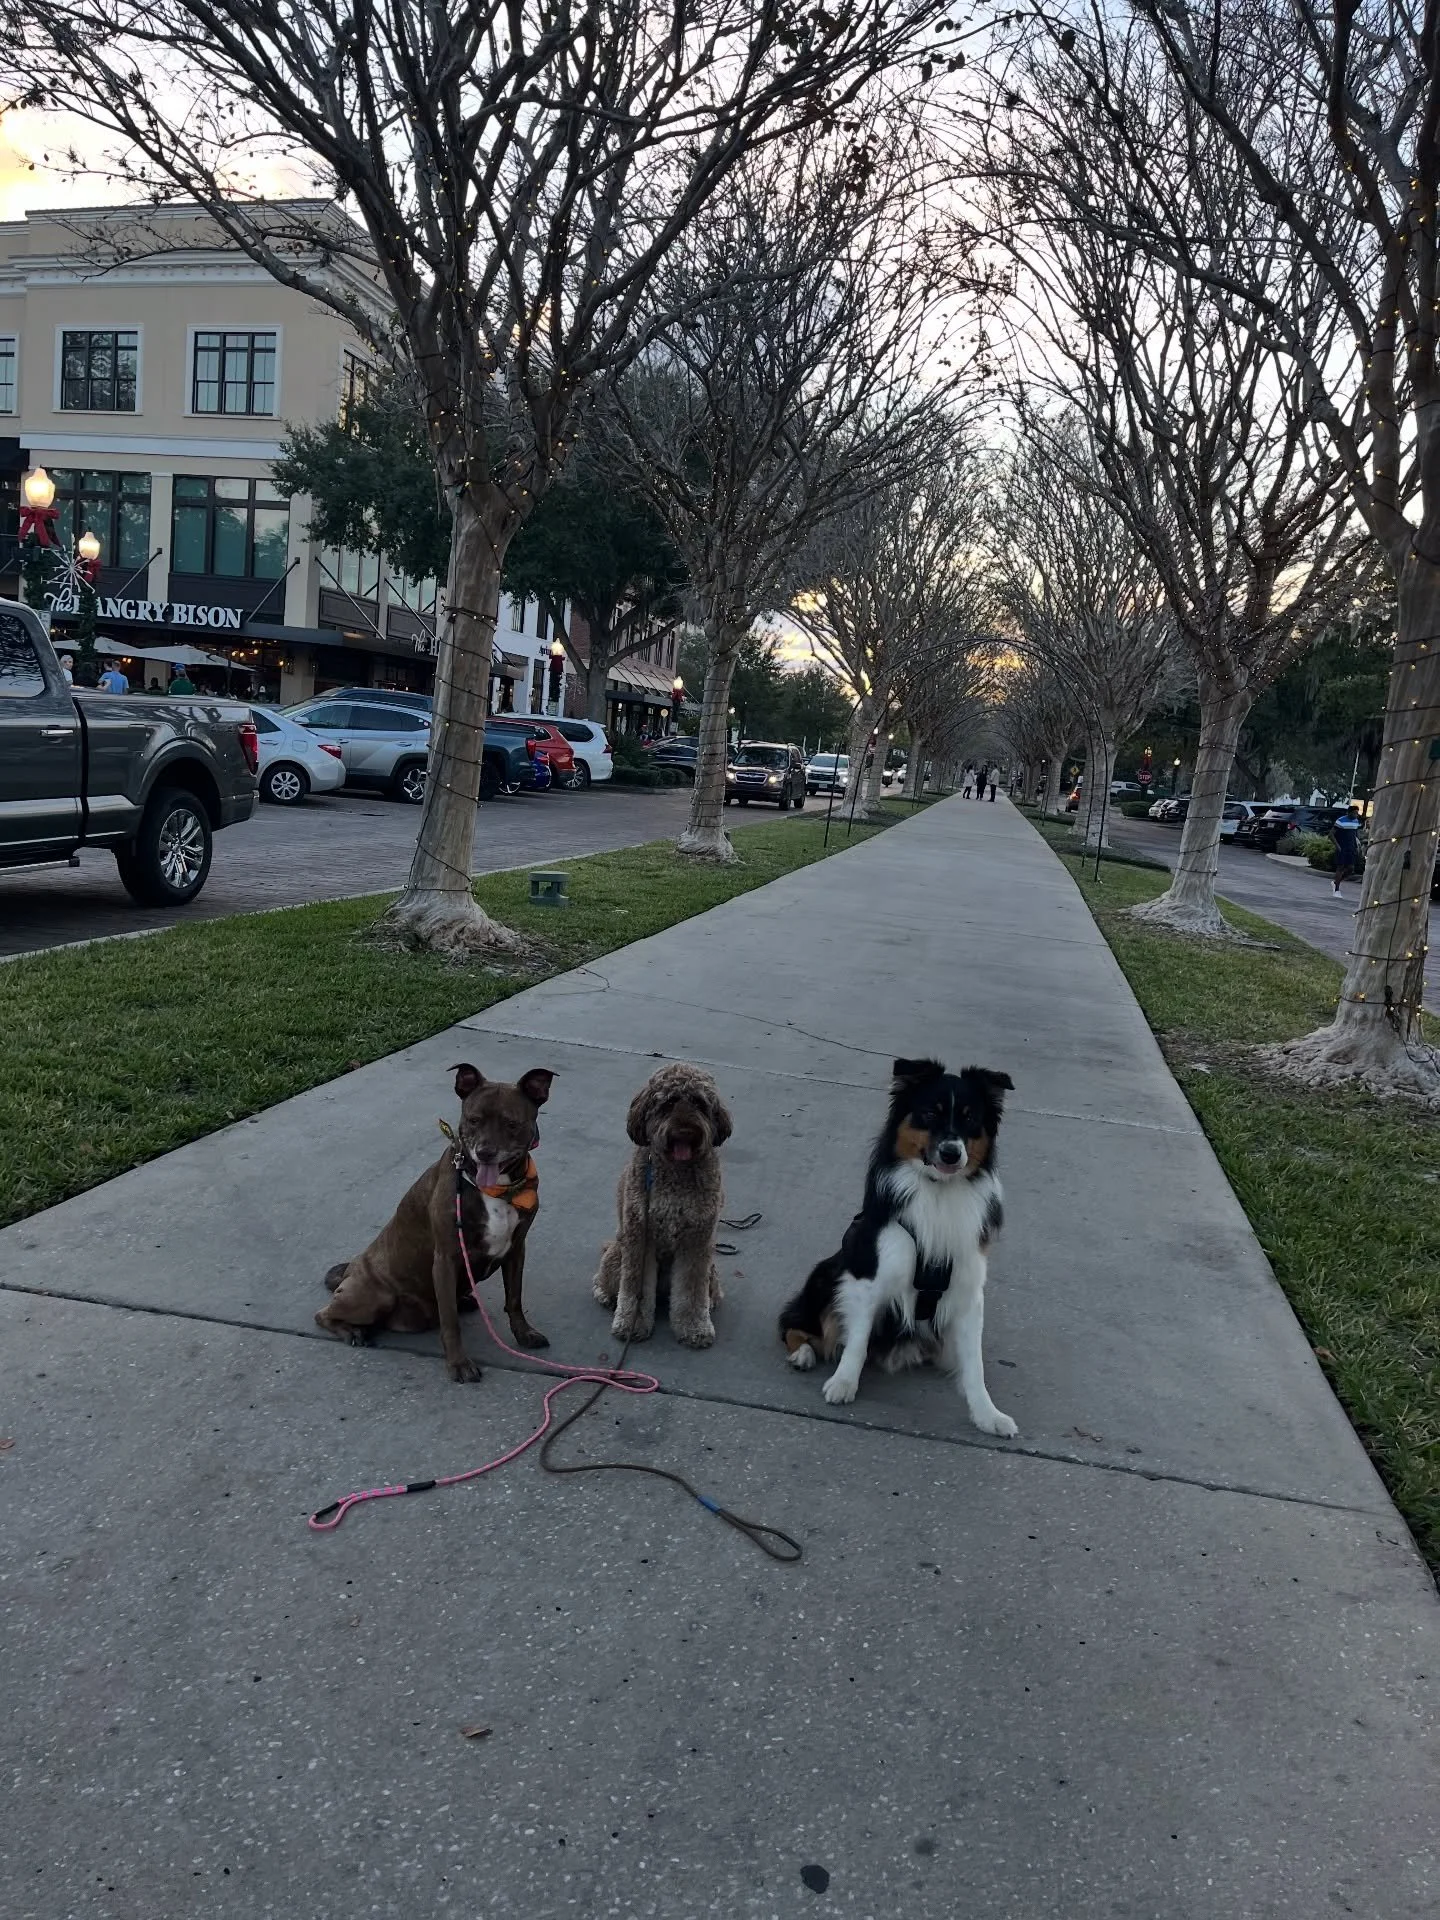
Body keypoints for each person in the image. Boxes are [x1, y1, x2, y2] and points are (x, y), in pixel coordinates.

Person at [1330, 804, 1362, 896]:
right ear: (1349, 813)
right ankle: (1336, 890)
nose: (1356, 815)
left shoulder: (1356, 821)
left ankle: (1336, 882)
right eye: (1354, 813)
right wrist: (1338, 846)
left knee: (1351, 869)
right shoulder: (1341, 820)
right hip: (1342, 847)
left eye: (1357, 813)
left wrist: (1357, 845)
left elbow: (1355, 834)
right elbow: (1331, 835)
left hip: (1351, 847)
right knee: (1340, 867)